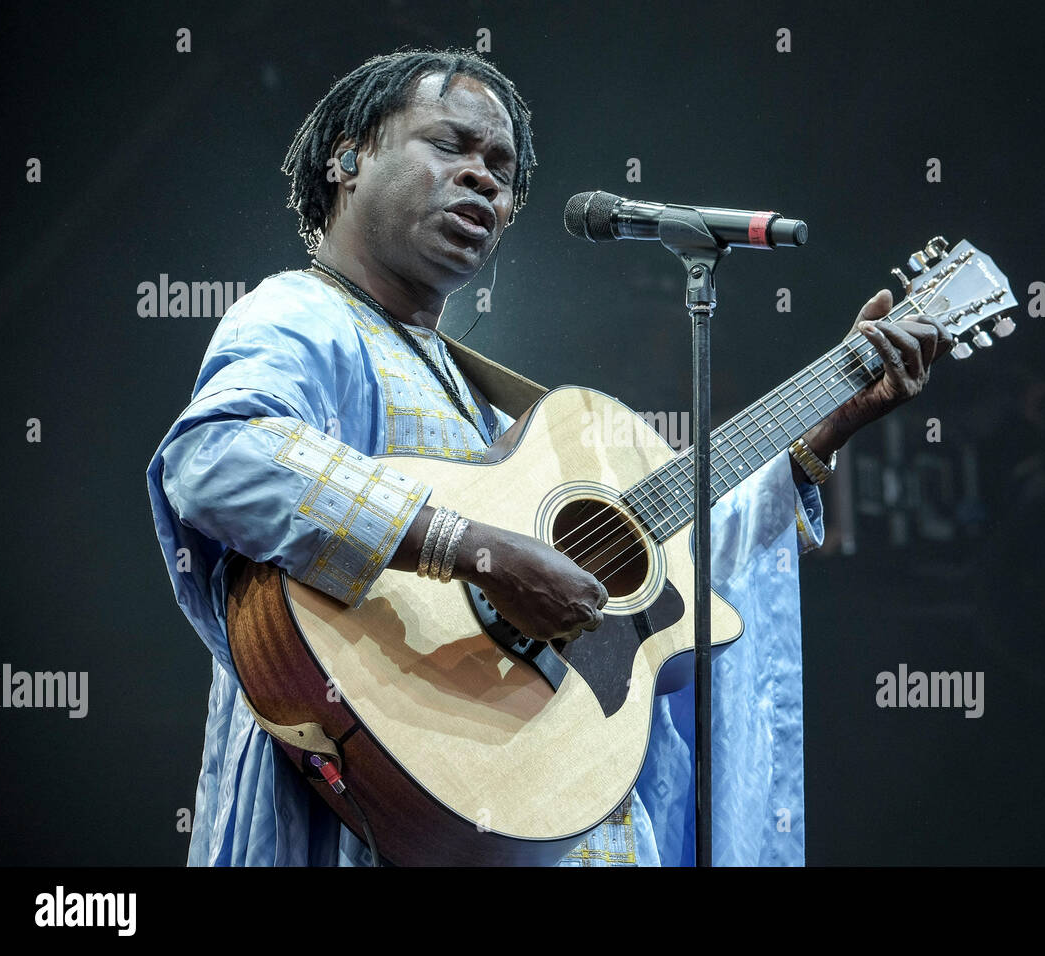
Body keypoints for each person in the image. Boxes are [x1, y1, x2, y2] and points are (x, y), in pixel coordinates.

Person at [145, 47, 953, 866]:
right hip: (372, 800)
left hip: (527, 802)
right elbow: (221, 455)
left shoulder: (478, 396)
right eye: (450, 144)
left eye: (501, 167)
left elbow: (676, 578)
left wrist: (821, 434)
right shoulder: (300, 314)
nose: (484, 179)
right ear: (346, 158)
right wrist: (477, 552)